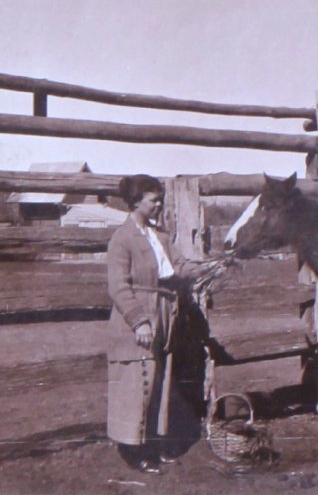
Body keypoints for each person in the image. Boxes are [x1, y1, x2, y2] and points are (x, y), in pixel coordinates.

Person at [106, 174, 210, 474]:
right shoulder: (122, 239)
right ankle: (132, 449)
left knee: (160, 383)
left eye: (160, 198)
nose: (159, 204)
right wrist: (139, 321)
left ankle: (153, 443)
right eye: (153, 199)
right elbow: (118, 286)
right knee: (138, 383)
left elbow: (179, 267)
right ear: (136, 202)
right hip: (138, 313)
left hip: (165, 313)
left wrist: (209, 267)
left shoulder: (161, 236)